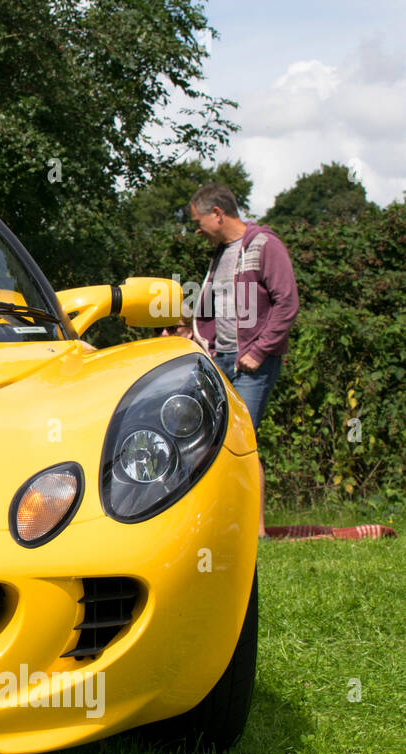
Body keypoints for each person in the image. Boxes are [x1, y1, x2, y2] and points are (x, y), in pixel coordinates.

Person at [182, 183, 300, 537]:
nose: (196, 228)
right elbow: (213, 306)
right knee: (214, 442)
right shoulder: (220, 254)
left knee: (242, 442)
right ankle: (224, 524)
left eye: (198, 220)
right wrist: (190, 333)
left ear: (217, 213)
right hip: (221, 359)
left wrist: (259, 351)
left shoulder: (265, 246)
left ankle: (257, 531)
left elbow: (287, 303)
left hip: (253, 364)